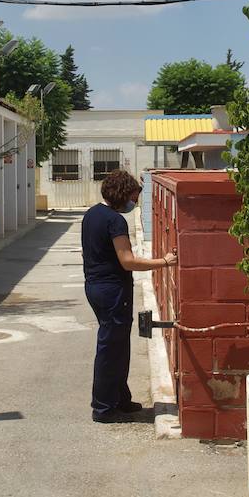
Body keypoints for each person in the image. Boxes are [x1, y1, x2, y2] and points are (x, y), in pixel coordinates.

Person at [82, 168, 176, 423]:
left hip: (96, 287)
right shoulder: (115, 221)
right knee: (111, 349)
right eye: (133, 197)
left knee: (117, 345)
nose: (134, 202)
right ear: (123, 194)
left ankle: (120, 399)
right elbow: (128, 261)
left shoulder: (92, 214)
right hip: (113, 290)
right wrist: (164, 262)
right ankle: (104, 408)